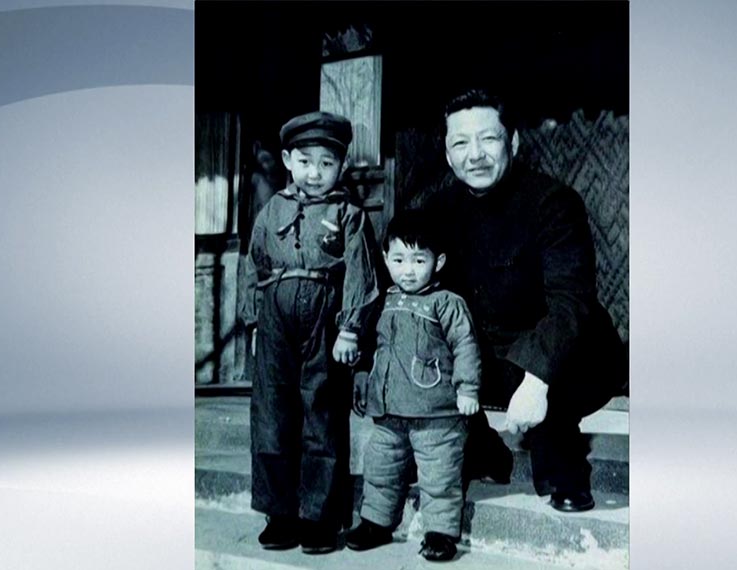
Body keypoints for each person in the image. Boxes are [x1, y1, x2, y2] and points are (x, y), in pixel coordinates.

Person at [425, 89, 626, 513]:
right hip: (490, 355)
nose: (475, 155)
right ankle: (481, 449)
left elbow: (571, 303)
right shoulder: (438, 212)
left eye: (488, 139)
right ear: (447, 154)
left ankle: (567, 470)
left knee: (558, 366)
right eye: (461, 143)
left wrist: (536, 381)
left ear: (512, 142)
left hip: (567, 351)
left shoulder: (552, 202)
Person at [239, 111, 380, 554]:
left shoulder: (349, 214)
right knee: (271, 414)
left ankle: (319, 518)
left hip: (325, 320)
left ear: (342, 166)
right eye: (304, 161)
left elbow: (360, 274)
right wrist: (254, 322)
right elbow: (253, 264)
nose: (314, 172)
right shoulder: (271, 210)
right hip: (275, 320)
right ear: (287, 160)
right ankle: (279, 514)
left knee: (322, 414)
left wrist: (350, 329)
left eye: (326, 163)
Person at [345, 210, 481, 562]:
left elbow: (465, 346)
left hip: (435, 413)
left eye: (419, 260)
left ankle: (440, 533)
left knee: (439, 474)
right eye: (399, 259)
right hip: (389, 411)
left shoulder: (447, 303)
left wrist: (467, 388)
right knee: (380, 467)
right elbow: (372, 346)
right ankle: (375, 522)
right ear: (386, 258)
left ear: (438, 262)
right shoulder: (384, 301)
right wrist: (362, 376)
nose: (408, 270)